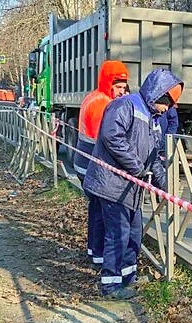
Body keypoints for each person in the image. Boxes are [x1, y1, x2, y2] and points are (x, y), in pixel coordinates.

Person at [83, 68, 183, 299]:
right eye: (167, 103)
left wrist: (166, 187)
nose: (168, 109)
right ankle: (111, 285)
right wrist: (137, 168)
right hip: (111, 186)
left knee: (133, 234)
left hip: (131, 189)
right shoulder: (125, 106)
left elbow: (154, 156)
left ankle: (128, 277)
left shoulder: (154, 120)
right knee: (117, 234)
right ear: (158, 95)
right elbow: (111, 137)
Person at [73, 60, 129, 267]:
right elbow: (107, 140)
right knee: (102, 212)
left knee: (96, 209)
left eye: (125, 87)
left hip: (85, 163)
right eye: (119, 87)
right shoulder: (101, 104)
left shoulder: (95, 97)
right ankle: (99, 255)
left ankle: (93, 251)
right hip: (91, 165)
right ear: (109, 83)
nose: (123, 91)